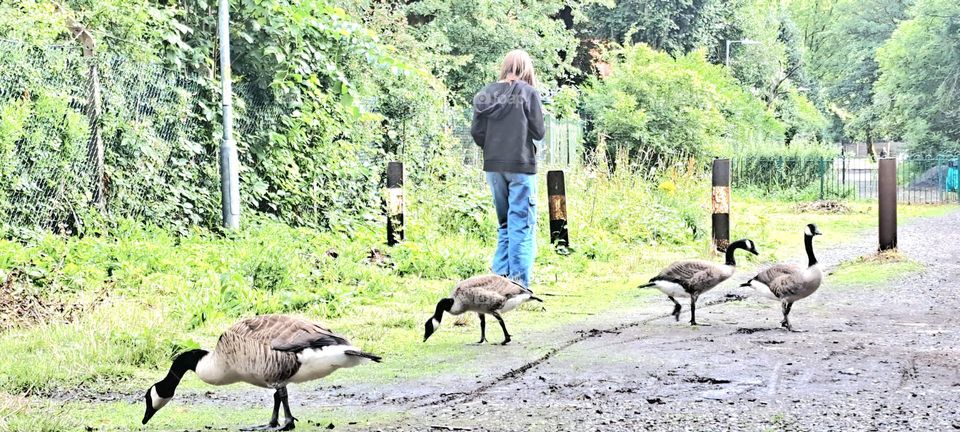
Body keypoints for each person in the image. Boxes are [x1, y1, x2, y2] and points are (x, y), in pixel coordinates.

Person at [470, 49, 545, 288]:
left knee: (504, 223)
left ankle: (499, 278)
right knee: (521, 223)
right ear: (526, 69)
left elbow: (477, 133)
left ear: (505, 67)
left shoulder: (484, 94)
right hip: (521, 165)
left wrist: (493, 145)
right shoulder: (528, 93)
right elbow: (539, 132)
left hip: (493, 166)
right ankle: (519, 285)